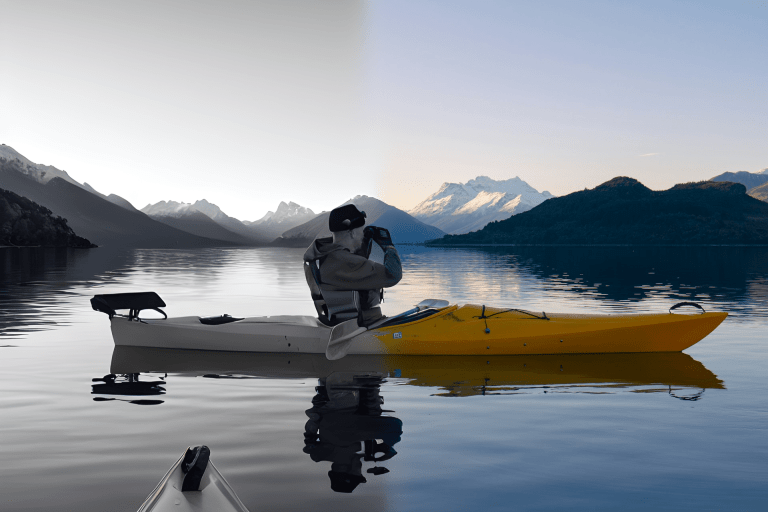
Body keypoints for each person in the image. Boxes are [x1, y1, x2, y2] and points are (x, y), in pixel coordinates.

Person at [303, 204, 402, 326]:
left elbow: (354, 269)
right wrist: (388, 246)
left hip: (337, 323)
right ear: (352, 233)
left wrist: (365, 243)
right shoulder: (346, 262)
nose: (363, 235)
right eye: (361, 230)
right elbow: (393, 275)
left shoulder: (320, 256)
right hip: (362, 327)